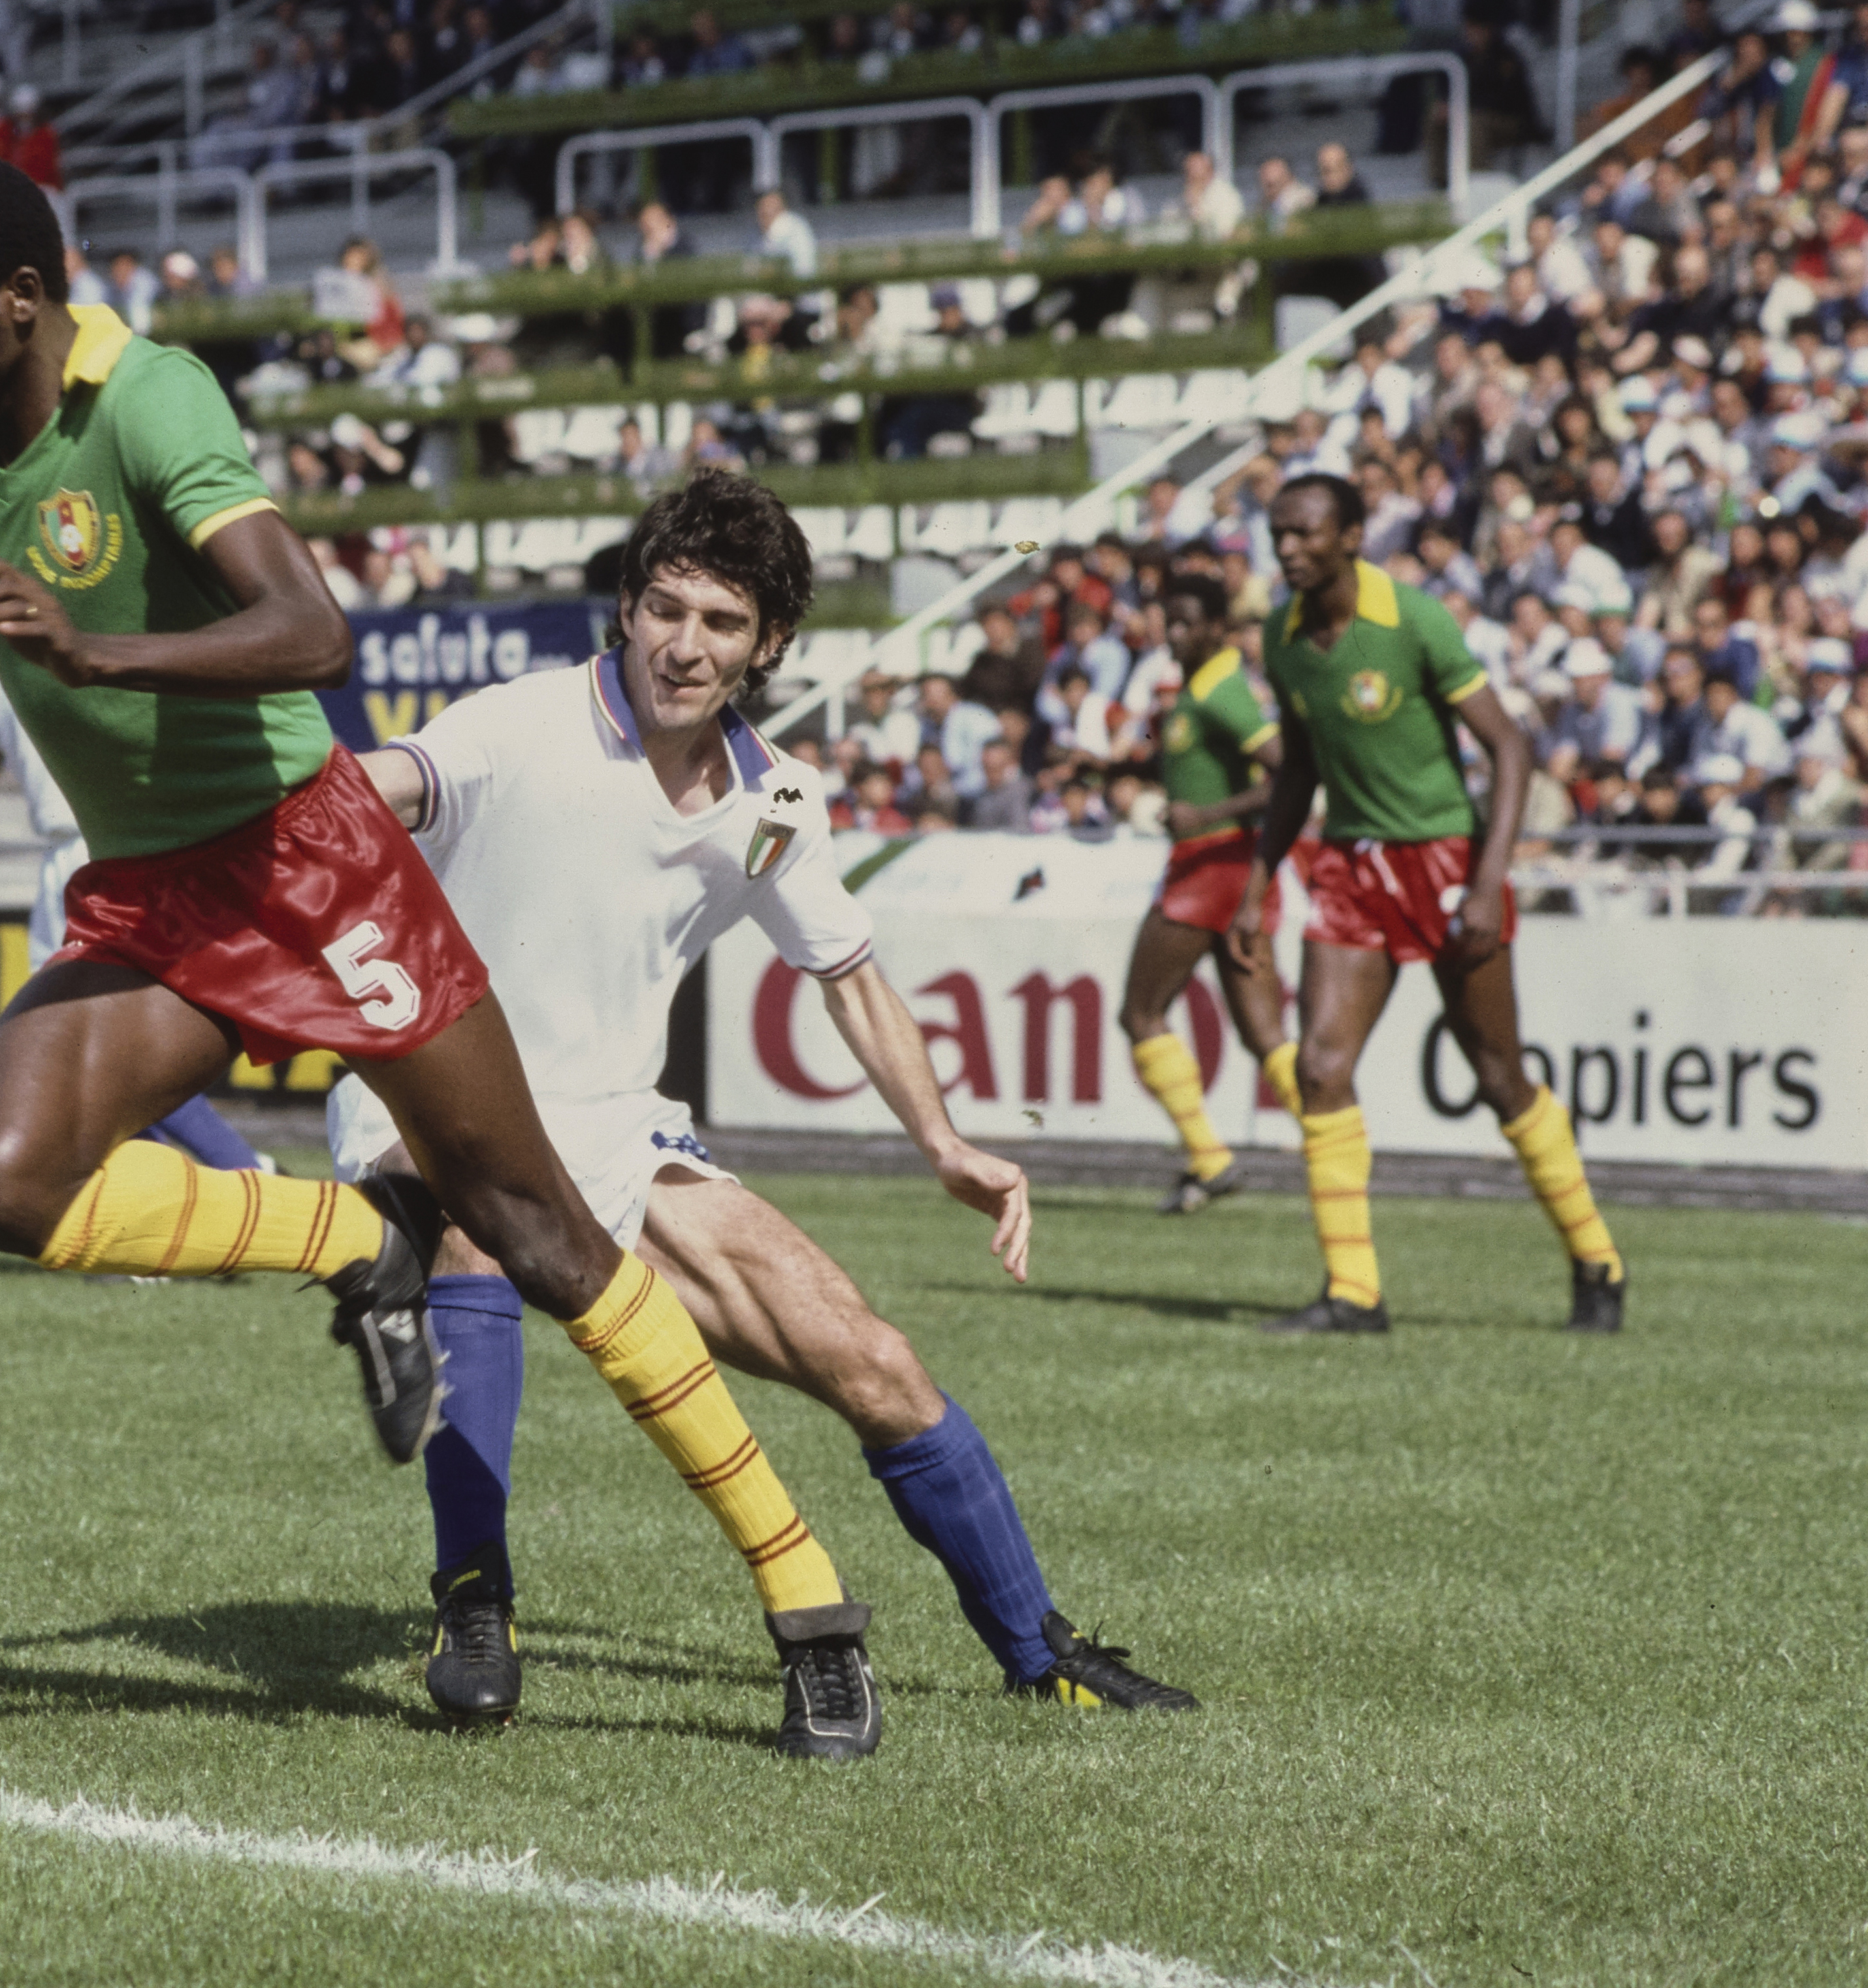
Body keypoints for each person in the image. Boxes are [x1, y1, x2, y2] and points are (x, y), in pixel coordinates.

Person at [0, 158, 880, 1759]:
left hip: (312, 864)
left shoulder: (148, 400)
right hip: (155, 895)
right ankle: (351, 1250)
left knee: (544, 1237)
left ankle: (809, 1606)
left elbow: (312, 628)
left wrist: (98, 649)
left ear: (21, 303)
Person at [336, 472, 1195, 1742]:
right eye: (664, 609)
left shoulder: (775, 799)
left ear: (768, 644)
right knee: (476, 1220)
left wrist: (946, 1144)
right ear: (625, 610)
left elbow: (849, 981)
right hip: (432, 1105)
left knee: (874, 1360)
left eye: (720, 623)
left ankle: (1037, 1648)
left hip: (616, 1134)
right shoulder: (517, 724)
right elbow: (381, 785)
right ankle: (474, 1599)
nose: (683, 646)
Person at [1238, 475, 1627, 1334]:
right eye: (1278, 533)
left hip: (1448, 862)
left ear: (1351, 535)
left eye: (1305, 533)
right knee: (1319, 1068)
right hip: (1349, 863)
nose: (1288, 547)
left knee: (1499, 1077)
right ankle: (1353, 1293)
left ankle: (1597, 1256)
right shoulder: (1283, 633)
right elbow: (1298, 766)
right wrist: (1260, 880)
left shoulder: (1414, 619)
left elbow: (1511, 747)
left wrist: (1489, 880)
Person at [0, 640, 269, 1174]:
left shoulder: (100, 619)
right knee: (88, 1048)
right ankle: (226, 1177)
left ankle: (228, 1172)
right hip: (62, 860)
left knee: (100, 1045)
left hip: (124, 842)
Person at [1119, 574, 1301, 1213]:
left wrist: (1206, 814)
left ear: (1217, 628)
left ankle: (1209, 1157)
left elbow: (1287, 774)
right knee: (1263, 1032)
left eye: (1187, 621)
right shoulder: (1200, 685)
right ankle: (1334, 1141)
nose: (1174, 633)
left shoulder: (1224, 688)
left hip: (1210, 867)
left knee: (1140, 1013)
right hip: (1228, 868)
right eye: (1168, 619)